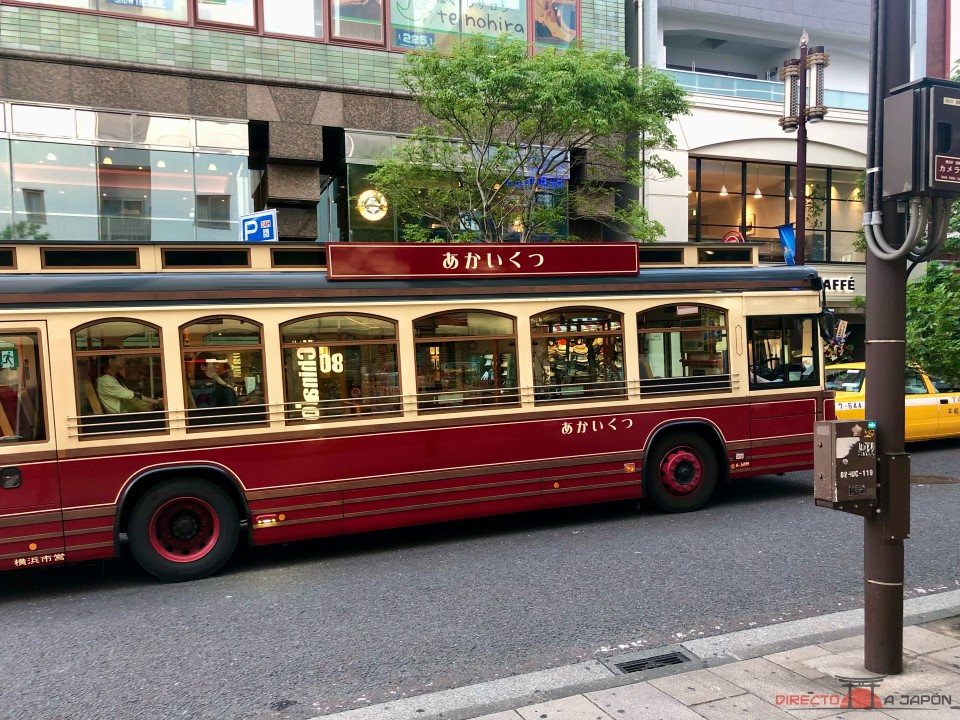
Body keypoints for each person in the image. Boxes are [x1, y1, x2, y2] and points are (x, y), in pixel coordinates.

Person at [97, 354, 162, 414]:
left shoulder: (114, 377)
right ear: (111, 361)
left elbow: (131, 394)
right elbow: (130, 396)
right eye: (120, 356)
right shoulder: (106, 380)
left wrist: (154, 402)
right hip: (122, 418)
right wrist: (156, 402)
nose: (124, 358)